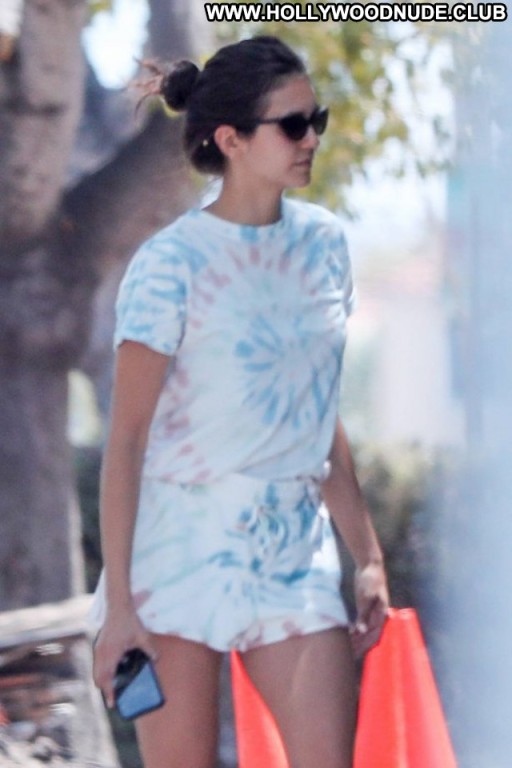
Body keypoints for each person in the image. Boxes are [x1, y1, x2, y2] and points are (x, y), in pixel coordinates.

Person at [91, 35, 389, 768]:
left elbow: (318, 414)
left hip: (293, 551)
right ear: (230, 140)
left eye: (315, 119)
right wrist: (121, 607)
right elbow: (126, 442)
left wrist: (368, 556)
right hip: (176, 552)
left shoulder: (326, 246)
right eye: (292, 124)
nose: (311, 137)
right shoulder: (169, 264)